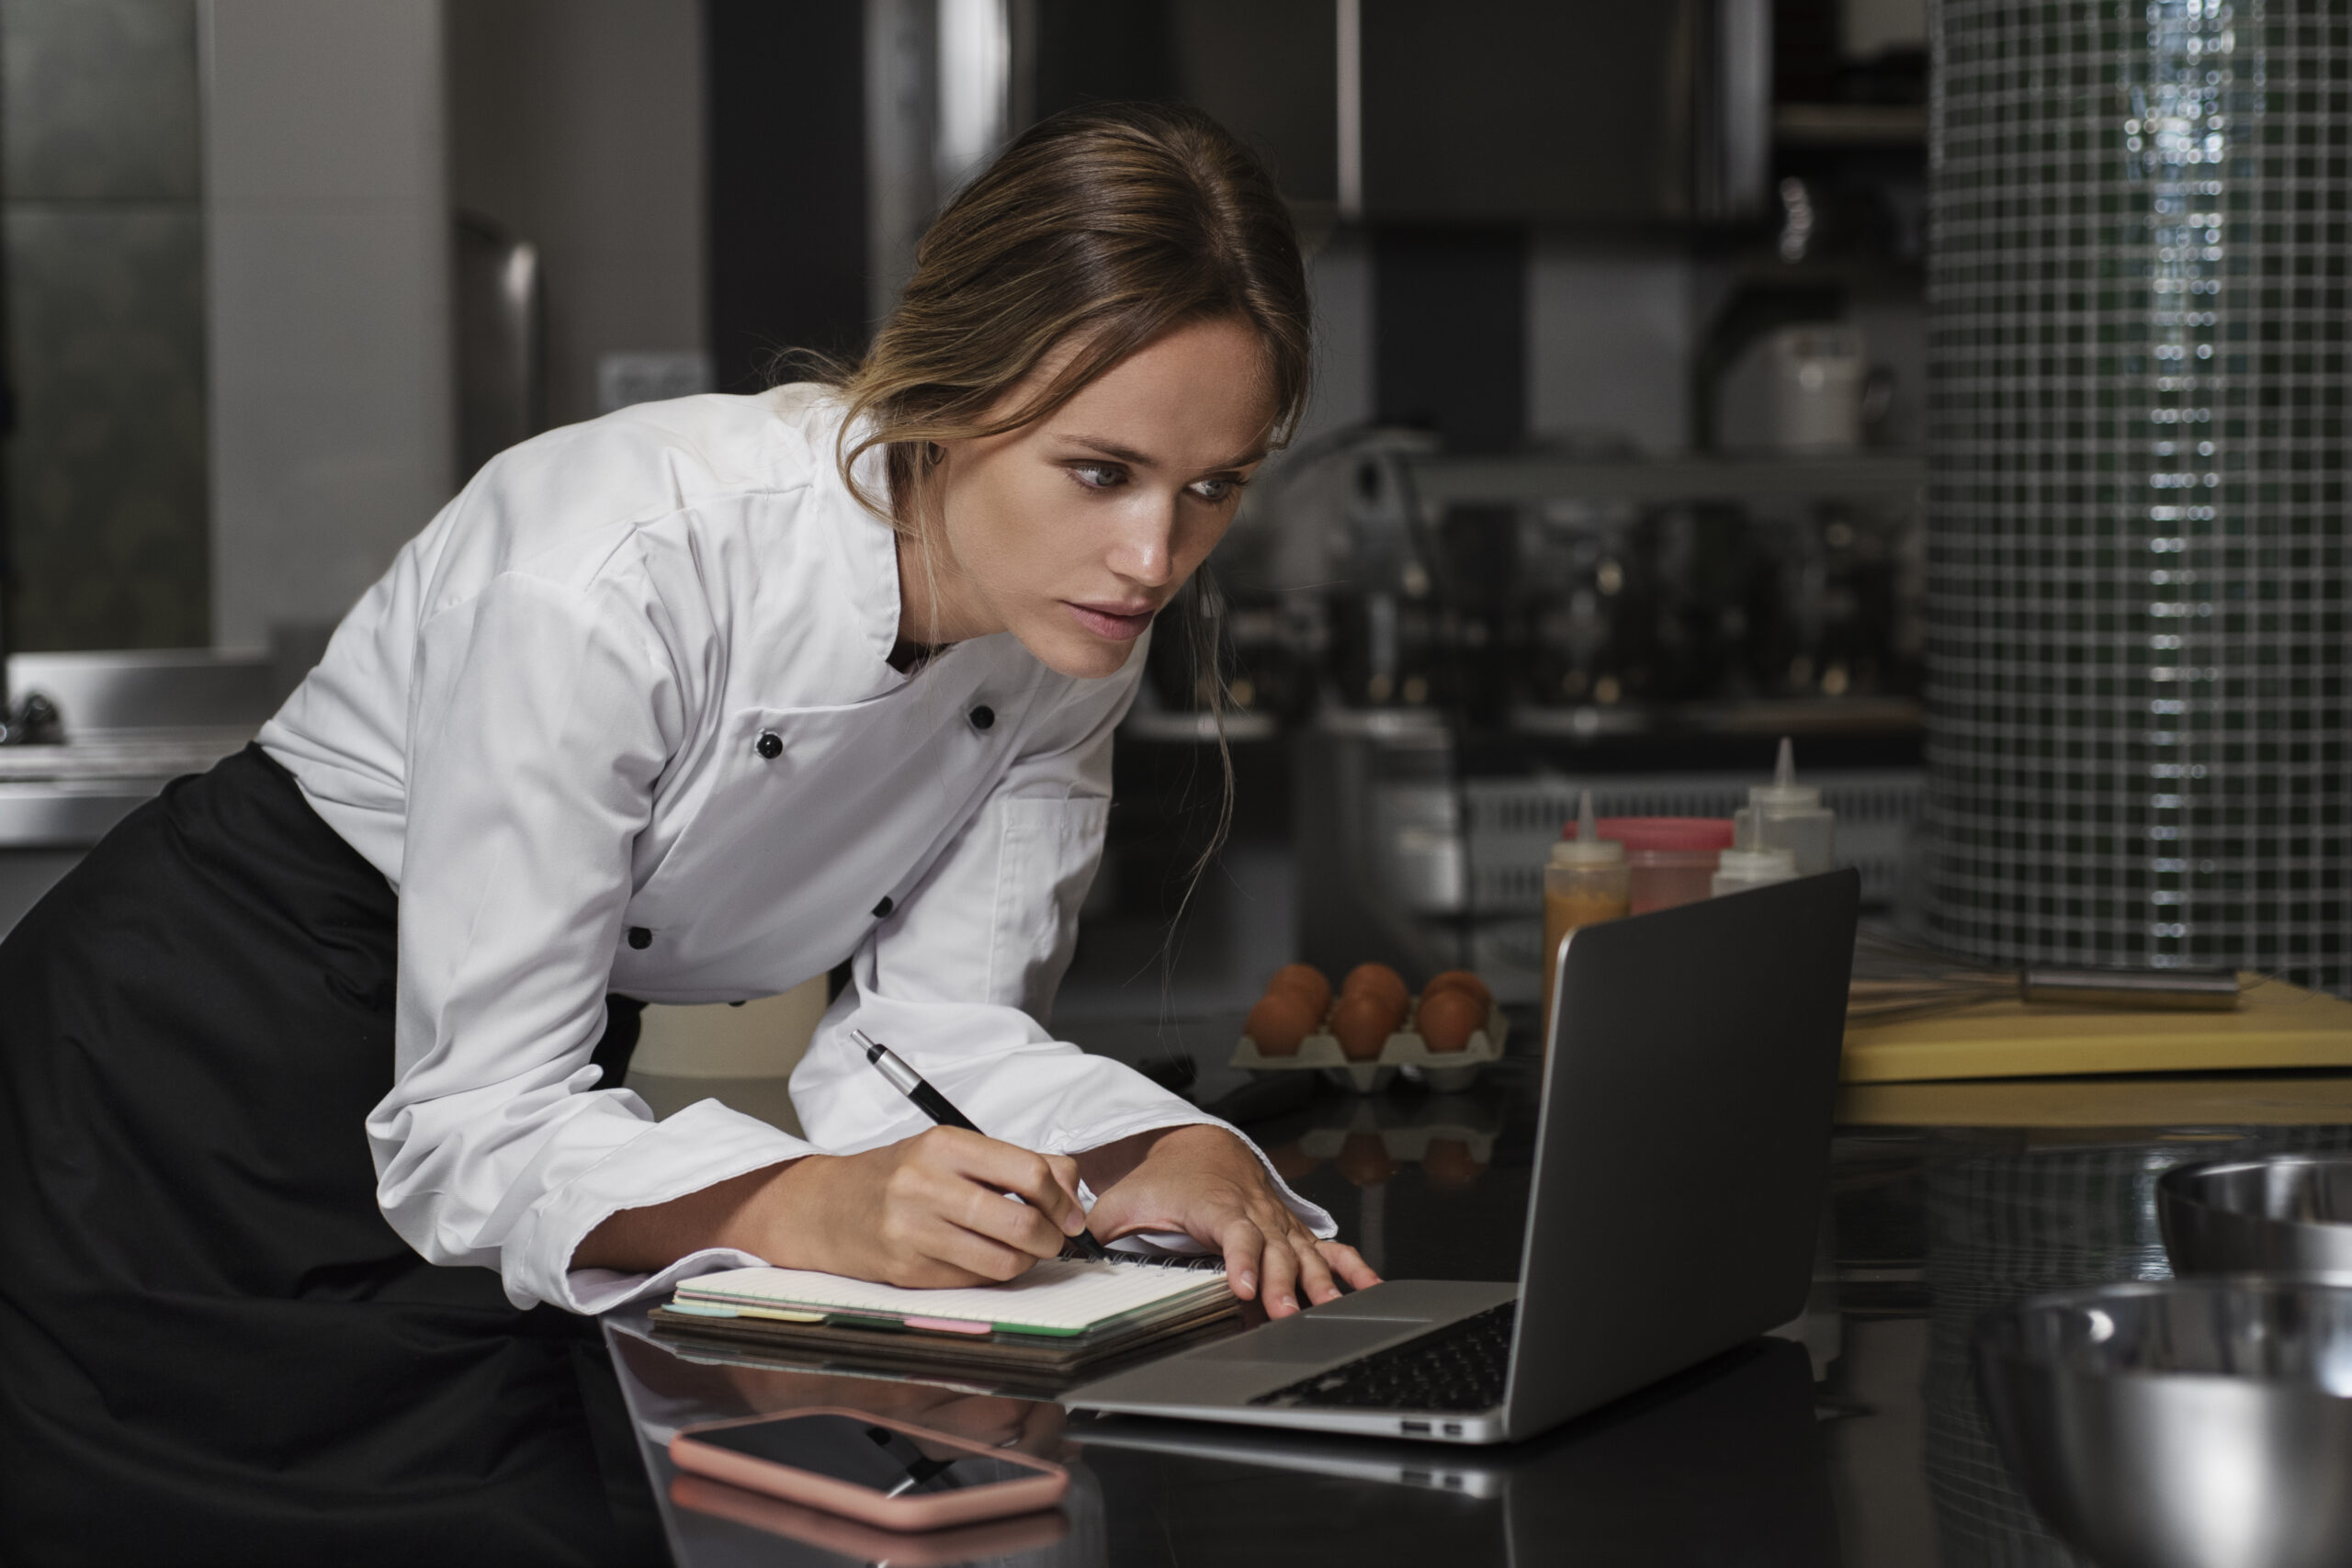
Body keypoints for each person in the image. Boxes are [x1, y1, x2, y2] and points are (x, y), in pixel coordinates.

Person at [0, 103, 1374, 1563]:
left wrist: (1146, 1150)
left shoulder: (1067, 630)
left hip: (534, 1098)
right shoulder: (616, 566)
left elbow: (938, 1031)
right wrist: (810, 1204)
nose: (1155, 558)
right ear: (949, 392)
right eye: (1100, 472)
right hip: (181, 1079)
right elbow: (473, 1119)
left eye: (1213, 486)